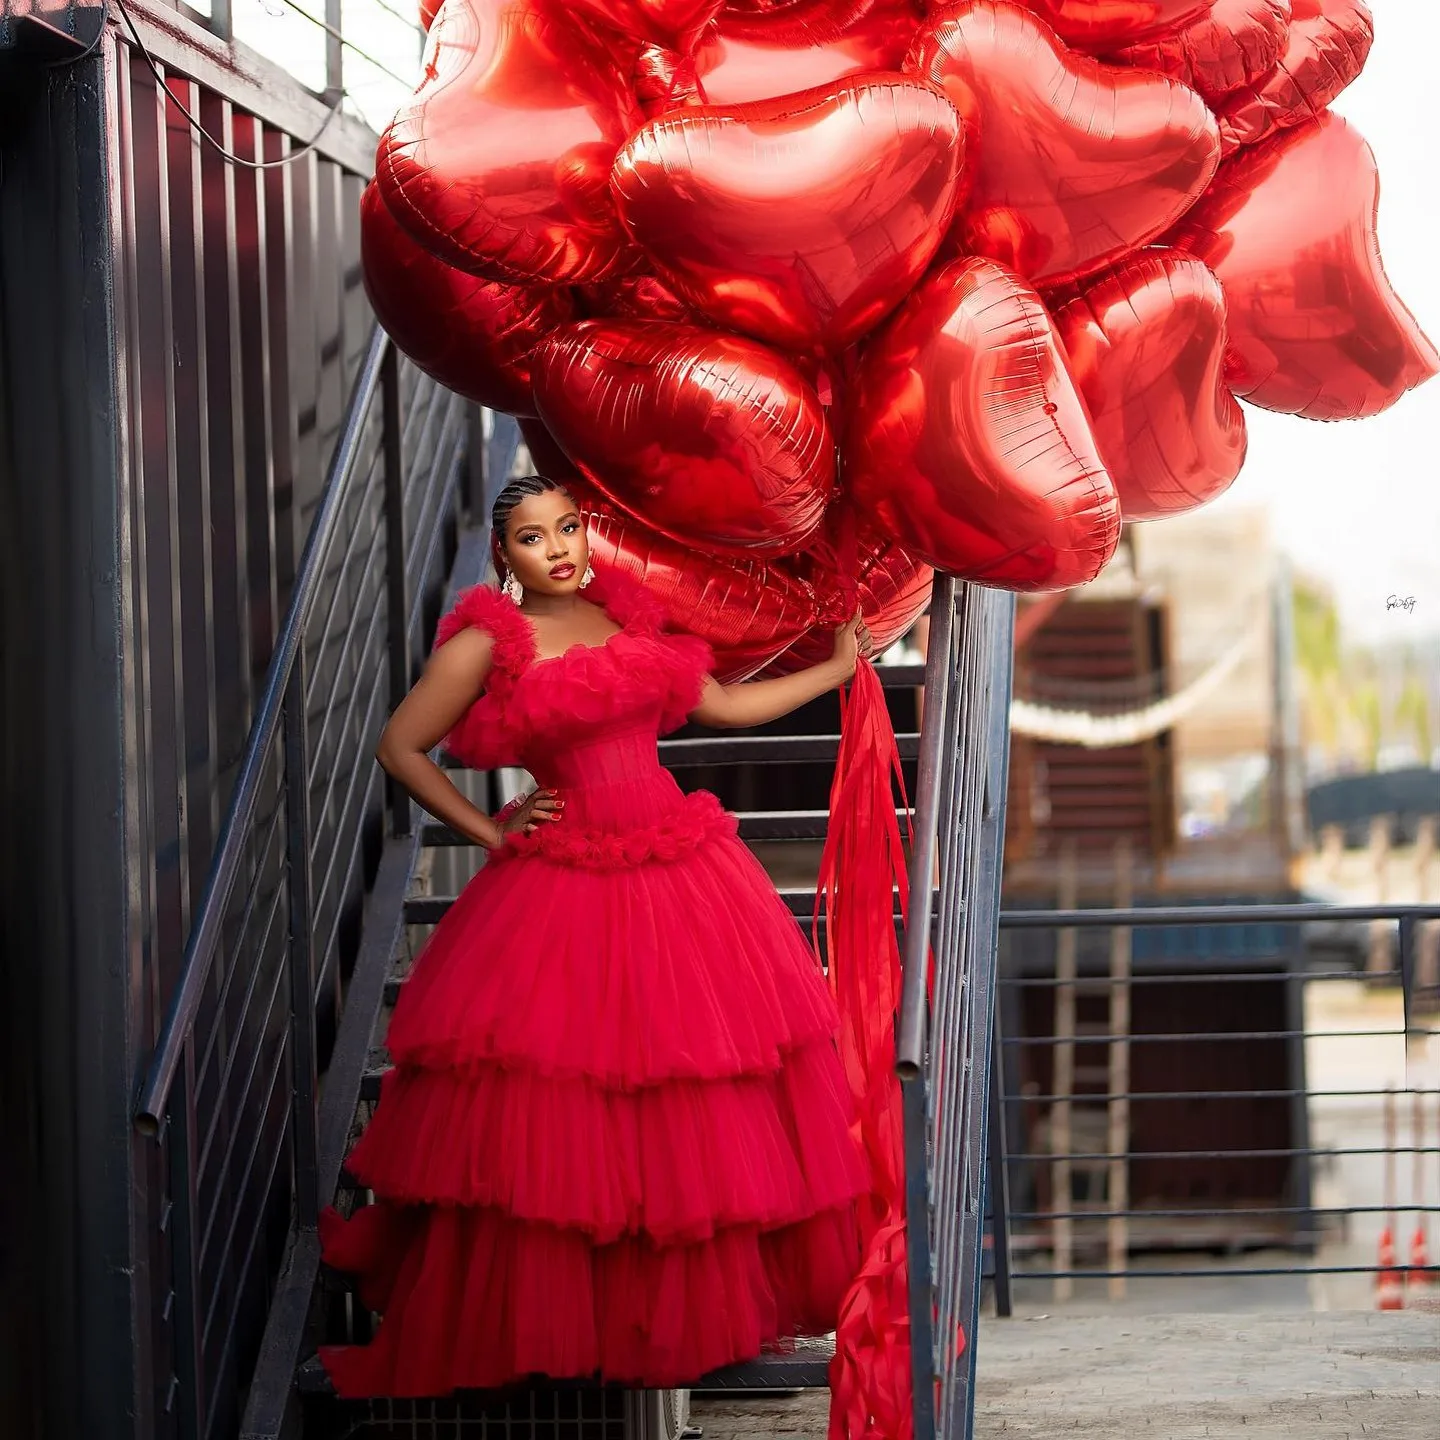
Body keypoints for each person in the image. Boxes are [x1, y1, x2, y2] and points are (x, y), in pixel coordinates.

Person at [318, 474, 875, 1396]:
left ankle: (686, 1314)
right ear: (506, 557)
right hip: (567, 878)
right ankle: (574, 1322)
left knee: (689, 1096)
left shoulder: (629, 617)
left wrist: (837, 669)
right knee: (569, 1113)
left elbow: (724, 708)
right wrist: (492, 830)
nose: (560, 547)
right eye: (534, 538)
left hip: (676, 865)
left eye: (569, 526)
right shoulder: (487, 642)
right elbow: (398, 747)